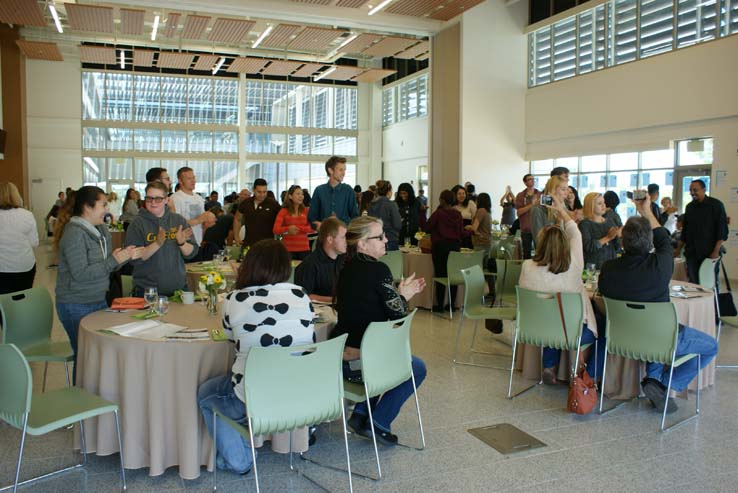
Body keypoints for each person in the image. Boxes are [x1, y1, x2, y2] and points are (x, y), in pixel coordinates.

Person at [198, 239, 315, 475]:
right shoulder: (301, 295)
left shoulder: (235, 299)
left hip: (254, 393)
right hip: (299, 390)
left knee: (206, 395)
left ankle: (239, 459)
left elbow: (232, 338)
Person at [599, 194, 718, 413]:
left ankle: (653, 379)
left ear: (622, 242)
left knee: (655, 332)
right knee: (711, 346)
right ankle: (665, 383)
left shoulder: (608, 268)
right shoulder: (660, 265)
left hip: (622, 336)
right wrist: (646, 211)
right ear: (649, 242)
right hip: (659, 337)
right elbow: (663, 237)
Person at [331, 216, 426, 444]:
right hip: (361, 365)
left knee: (379, 352)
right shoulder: (378, 270)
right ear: (362, 243)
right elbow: (398, 316)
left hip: (338, 358)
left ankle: (361, 414)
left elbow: (373, 307)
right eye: (380, 236)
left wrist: (399, 295)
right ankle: (379, 422)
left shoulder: (346, 268)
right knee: (417, 368)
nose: (386, 240)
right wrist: (403, 295)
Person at [55, 186, 142, 382]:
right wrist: (114, 260)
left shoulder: (101, 230)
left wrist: (126, 256)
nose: (107, 208)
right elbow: (82, 275)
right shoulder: (74, 234)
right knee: (86, 356)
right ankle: (82, 401)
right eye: (103, 204)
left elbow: (106, 268)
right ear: (87, 207)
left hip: (97, 300)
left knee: (99, 354)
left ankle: (96, 396)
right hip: (75, 304)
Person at [519, 192, 603, 383]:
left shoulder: (527, 266)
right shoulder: (574, 266)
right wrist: (562, 211)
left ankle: (550, 366)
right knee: (602, 325)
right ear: (566, 246)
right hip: (569, 330)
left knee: (553, 314)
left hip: (535, 326)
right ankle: (589, 375)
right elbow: (576, 233)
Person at [124, 182, 198, 296]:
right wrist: (157, 243)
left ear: (166, 200)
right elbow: (134, 259)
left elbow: (191, 253)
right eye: (149, 198)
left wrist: (182, 243)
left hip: (179, 290)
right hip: (147, 293)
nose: (153, 202)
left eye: (158, 199)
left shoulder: (178, 220)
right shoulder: (137, 224)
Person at [676, 180, 728, 284]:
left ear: (704, 190)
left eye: (695, 190)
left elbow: (722, 230)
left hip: (709, 252)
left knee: (709, 283)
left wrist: (716, 251)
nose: (692, 192)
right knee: (693, 283)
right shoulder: (689, 207)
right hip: (692, 253)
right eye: (690, 190)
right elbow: (685, 231)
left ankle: (710, 301)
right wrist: (678, 249)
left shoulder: (716, 205)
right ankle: (696, 301)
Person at [424, 190, 465, 312]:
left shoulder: (438, 213)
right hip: (455, 246)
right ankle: (451, 305)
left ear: (442, 200)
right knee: (453, 275)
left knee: (440, 274)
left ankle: (440, 305)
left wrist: (422, 214)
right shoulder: (458, 214)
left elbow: (427, 228)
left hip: (440, 246)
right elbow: (461, 232)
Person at [294, 217, 347, 303]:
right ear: (330, 239)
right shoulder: (309, 265)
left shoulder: (343, 259)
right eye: (343, 237)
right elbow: (303, 295)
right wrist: (334, 300)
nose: (346, 241)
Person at [0, 182, 39, 294]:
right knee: (22, 297)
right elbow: (34, 243)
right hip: (24, 267)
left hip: (1, 268)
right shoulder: (26, 215)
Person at [308, 156, 359, 228]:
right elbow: (312, 218)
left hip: (344, 236)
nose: (344, 173)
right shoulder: (319, 191)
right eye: (341, 170)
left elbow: (355, 217)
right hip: (324, 236)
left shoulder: (348, 190)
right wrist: (319, 225)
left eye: (344, 170)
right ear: (330, 170)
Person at [170, 167, 216, 247]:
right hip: (182, 244)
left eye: (193, 177)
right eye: (189, 178)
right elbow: (176, 224)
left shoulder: (198, 198)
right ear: (180, 181)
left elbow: (202, 224)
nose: (193, 181)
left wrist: (207, 223)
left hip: (197, 243)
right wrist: (198, 220)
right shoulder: (175, 198)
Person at [233, 178, 280, 248]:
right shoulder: (246, 203)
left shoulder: (273, 204)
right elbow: (237, 219)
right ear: (253, 190)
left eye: (264, 192)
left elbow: (283, 218)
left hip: (268, 245)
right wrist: (236, 237)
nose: (262, 195)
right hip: (249, 244)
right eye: (259, 192)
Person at [578, 192, 619, 270]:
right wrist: (607, 237)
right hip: (593, 268)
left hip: (610, 265)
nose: (604, 205)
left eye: (604, 202)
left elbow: (617, 247)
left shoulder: (610, 221)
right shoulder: (584, 225)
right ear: (591, 206)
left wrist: (618, 236)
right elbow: (588, 247)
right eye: (599, 203)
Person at [273, 185, 313, 260]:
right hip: (288, 249)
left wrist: (298, 228)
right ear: (290, 196)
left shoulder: (306, 210)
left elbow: (312, 228)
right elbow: (275, 229)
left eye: (302, 194)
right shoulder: (284, 211)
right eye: (298, 194)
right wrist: (288, 229)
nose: (301, 196)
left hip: (304, 248)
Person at [530, 175, 569, 248]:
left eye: (567, 190)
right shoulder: (538, 210)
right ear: (553, 190)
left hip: (564, 255)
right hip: (548, 256)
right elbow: (539, 241)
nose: (566, 193)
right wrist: (558, 223)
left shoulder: (564, 209)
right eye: (563, 189)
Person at [368, 180, 402, 251]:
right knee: (391, 261)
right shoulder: (391, 205)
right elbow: (397, 225)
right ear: (389, 191)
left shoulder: (371, 205)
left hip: (375, 239)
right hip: (390, 239)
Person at [515, 174, 541, 259]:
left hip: (539, 229)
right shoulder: (521, 195)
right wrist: (532, 205)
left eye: (534, 179)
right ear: (525, 182)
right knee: (526, 254)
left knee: (540, 253)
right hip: (526, 229)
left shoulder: (540, 194)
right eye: (530, 179)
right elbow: (519, 212)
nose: (533, 180)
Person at [395, 182, 424, 246]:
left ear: (409, 193)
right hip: (400, 233)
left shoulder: (416, 202)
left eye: (404, 193)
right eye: (401, 193)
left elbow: (420, 217)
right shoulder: (396, 203)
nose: (402, 195)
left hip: (414, 234)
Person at [451, 184, 477, 248]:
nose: (462, 196)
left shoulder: (470, 203)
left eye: (463, 193)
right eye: (459, 194)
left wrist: (472, 227)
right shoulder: (452, 206)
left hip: (467, 235)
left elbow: (476, 218)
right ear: (454, 195)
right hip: (454, 235)